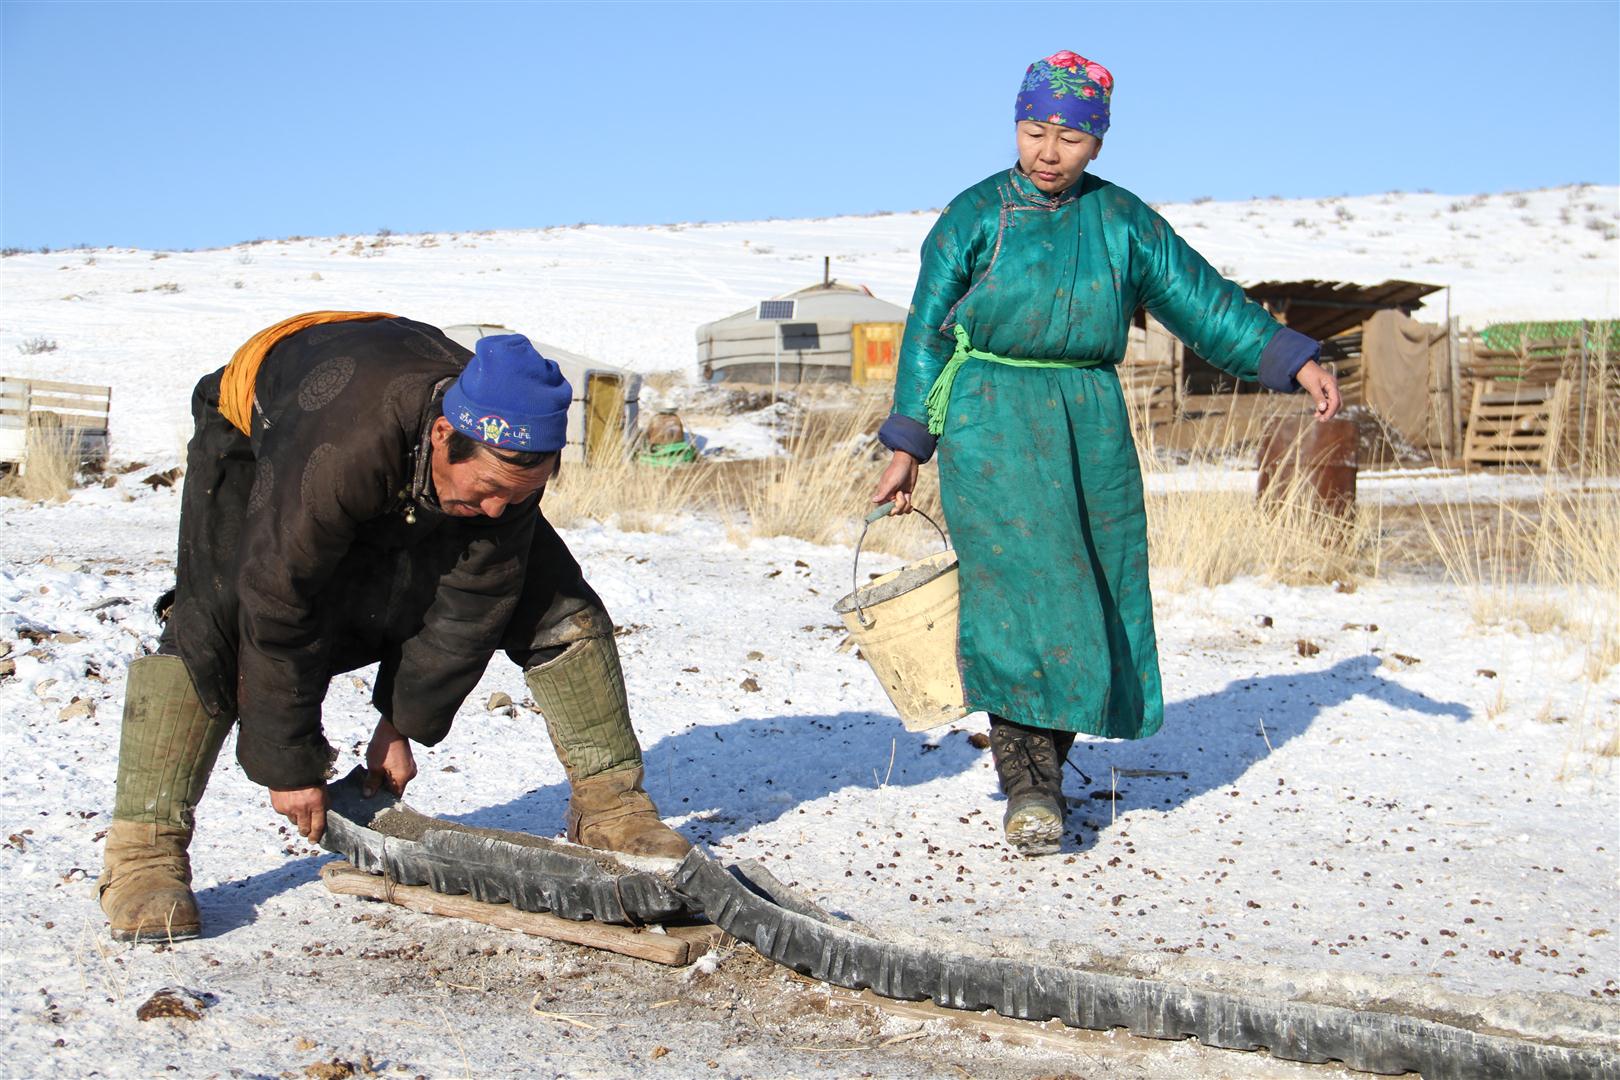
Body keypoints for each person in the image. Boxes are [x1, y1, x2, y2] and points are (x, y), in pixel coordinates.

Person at [870, 52, 1342, 856]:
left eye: (1071, 138)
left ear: (1099, 142)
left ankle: (1045, 770)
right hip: (989, 413)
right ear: (1015, 126)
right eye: (1034, 131)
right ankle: (1030, 788)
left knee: (1087, 592)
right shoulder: (974, 216)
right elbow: (925, 331)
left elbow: (1203, 301)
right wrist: (911, 442)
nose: (1049, 152)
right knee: (1017, 591)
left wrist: (1286, 354)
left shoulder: (1123, 223)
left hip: (1089, 420)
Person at [100, 312, 690, 942]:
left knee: (555, 604)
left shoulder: (507, 469)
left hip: (391, 393)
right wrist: (290, 763)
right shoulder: (340, 451)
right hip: (276, 420)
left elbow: (475, 598)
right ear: (444, 434)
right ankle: (143, 853)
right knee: (215, 620)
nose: (497, 510)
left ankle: (612, 808)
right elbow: (279, 602)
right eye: (491, 489)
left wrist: (399, 726)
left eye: (519, 495)